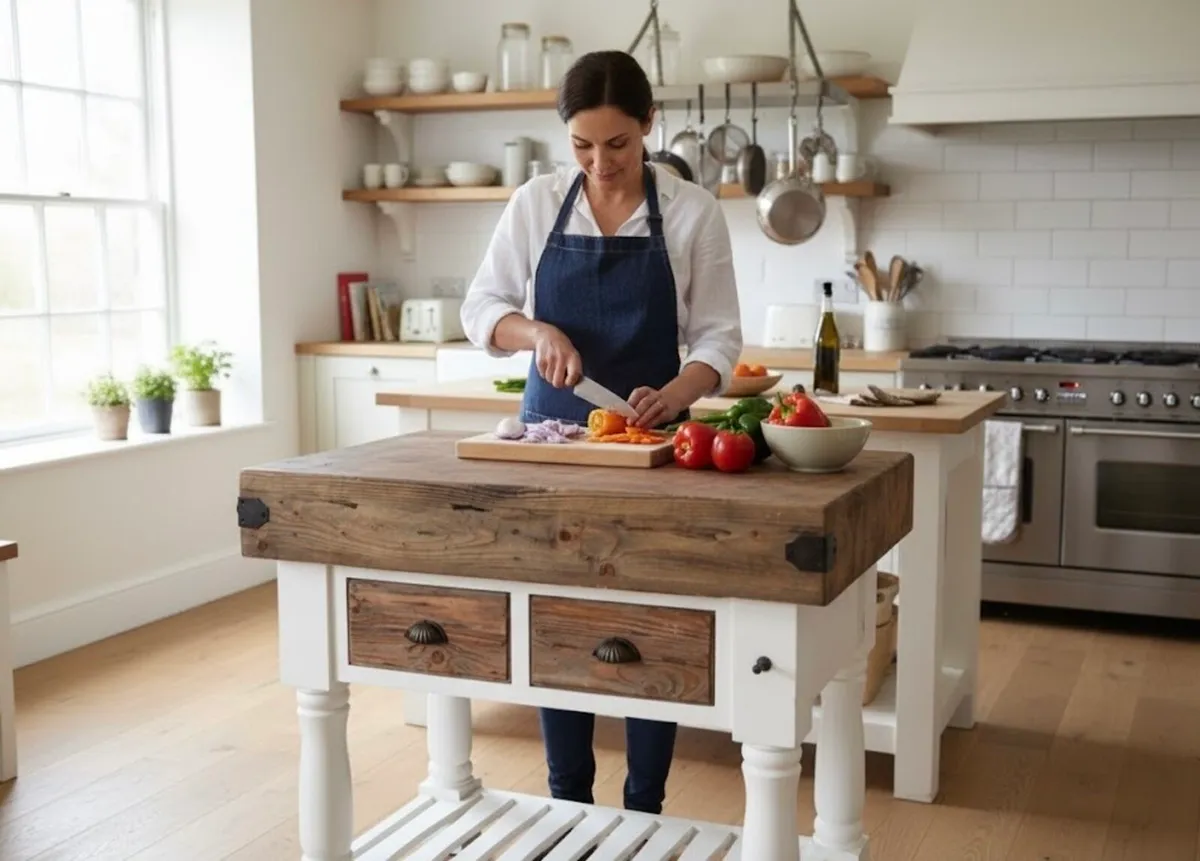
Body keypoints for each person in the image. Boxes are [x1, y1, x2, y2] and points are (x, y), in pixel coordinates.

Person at [459, 49, 743, 814]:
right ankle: (569, 808)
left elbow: (718, 337)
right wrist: (532, 331)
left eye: (617, 144)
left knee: (647, 622)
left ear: (649, 127)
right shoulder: (536, 201)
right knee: (561, 620)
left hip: (653, 449)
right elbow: (480, 308)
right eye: (582, 146)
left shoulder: (690, 211)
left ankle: (644, 808)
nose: (600, 163)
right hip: (552, 441)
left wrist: (680, 391)